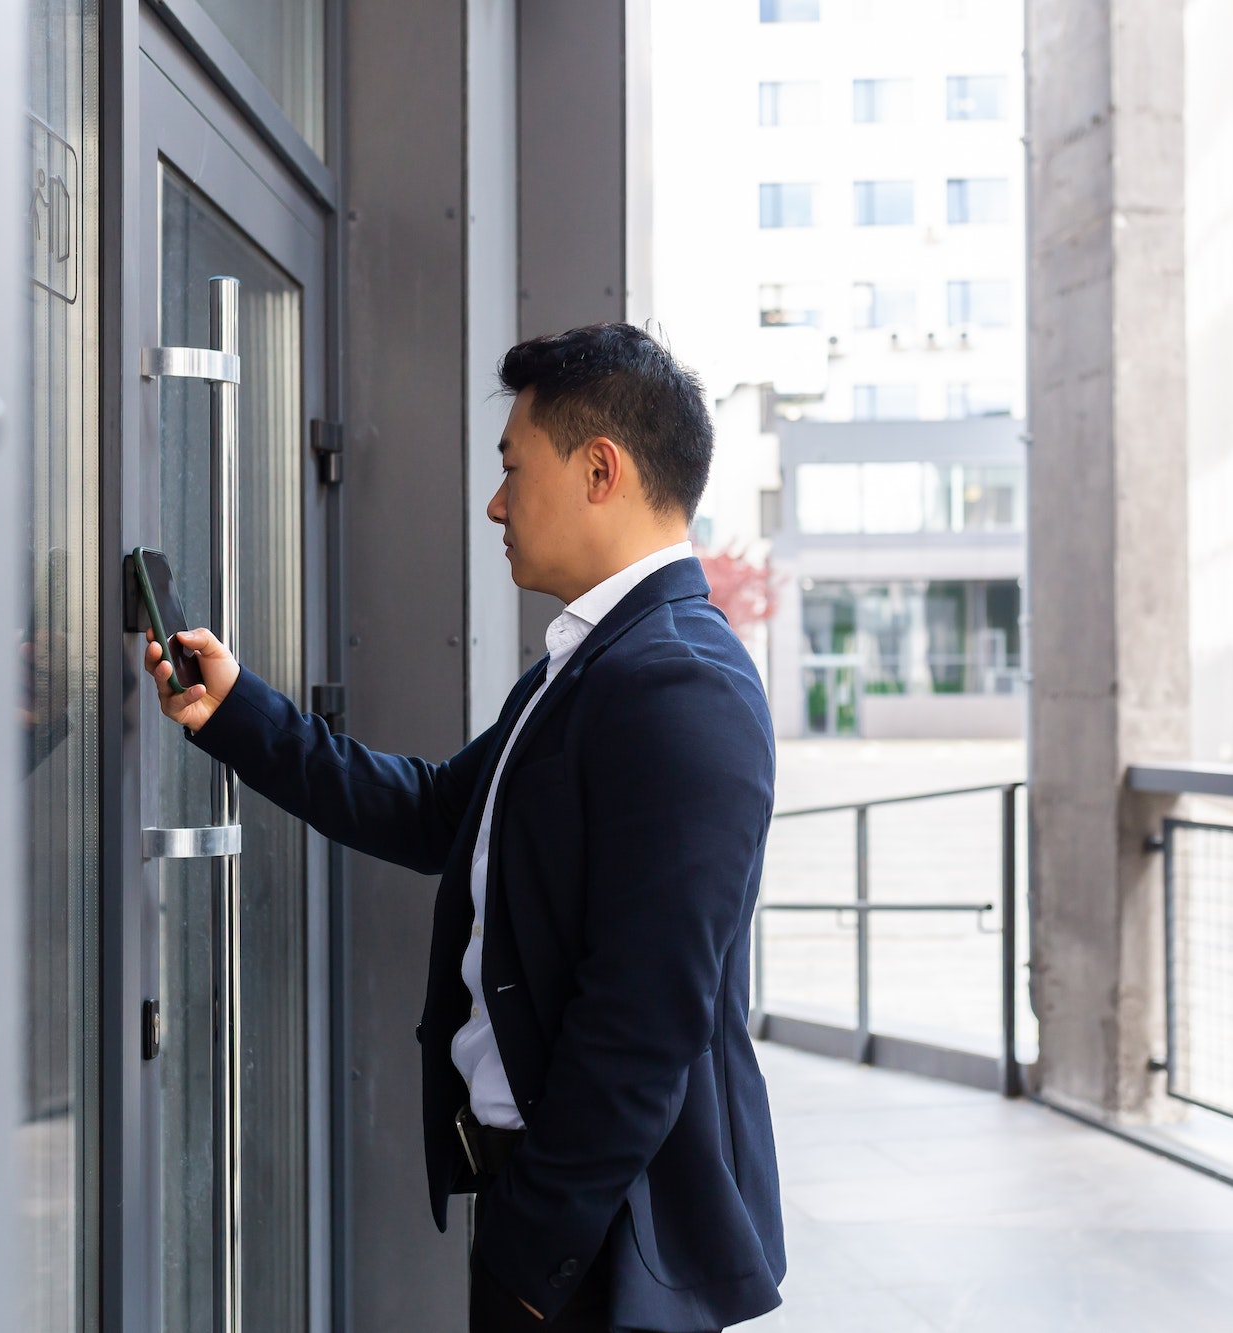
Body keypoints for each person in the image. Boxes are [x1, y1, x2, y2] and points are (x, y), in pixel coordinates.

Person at [147, 323, 783, 1332]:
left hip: (598, 1250)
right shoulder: (589, 666)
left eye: (511, 468)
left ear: (600, 469)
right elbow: (441, 810)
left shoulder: (679, 685)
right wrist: (235, 714)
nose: (495, 503)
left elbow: (645, 1019)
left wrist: (536, 1256)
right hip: (559, 1228)